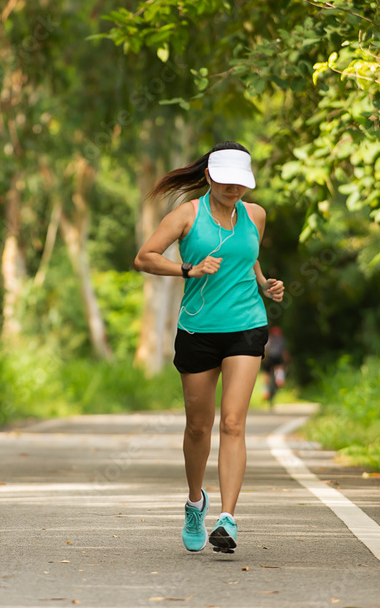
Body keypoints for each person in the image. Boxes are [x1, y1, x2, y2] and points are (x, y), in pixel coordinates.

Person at [134, 141, 284, 554]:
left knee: (234, 423)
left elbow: (248, 259)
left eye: (242, 183)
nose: (234, 189)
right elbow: (144, 257)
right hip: (198, 330)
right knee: (199, 426)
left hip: (246, 326)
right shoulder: (186, 215)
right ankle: (196, 502)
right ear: (210, 177)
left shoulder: (255, 215)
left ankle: (229, 519)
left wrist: (264, 285)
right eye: (227, 181)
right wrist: (188, 268)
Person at [261, 326, 289, 408]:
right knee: (280, 366)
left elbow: (266, 350)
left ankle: (265, 389)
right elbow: (284, 351)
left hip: (270, 358)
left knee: (265, 372)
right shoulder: (282, 339)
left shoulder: (269, 338)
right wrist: (286, 361)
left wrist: (263, 359)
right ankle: (280, 377)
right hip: (277, 358)